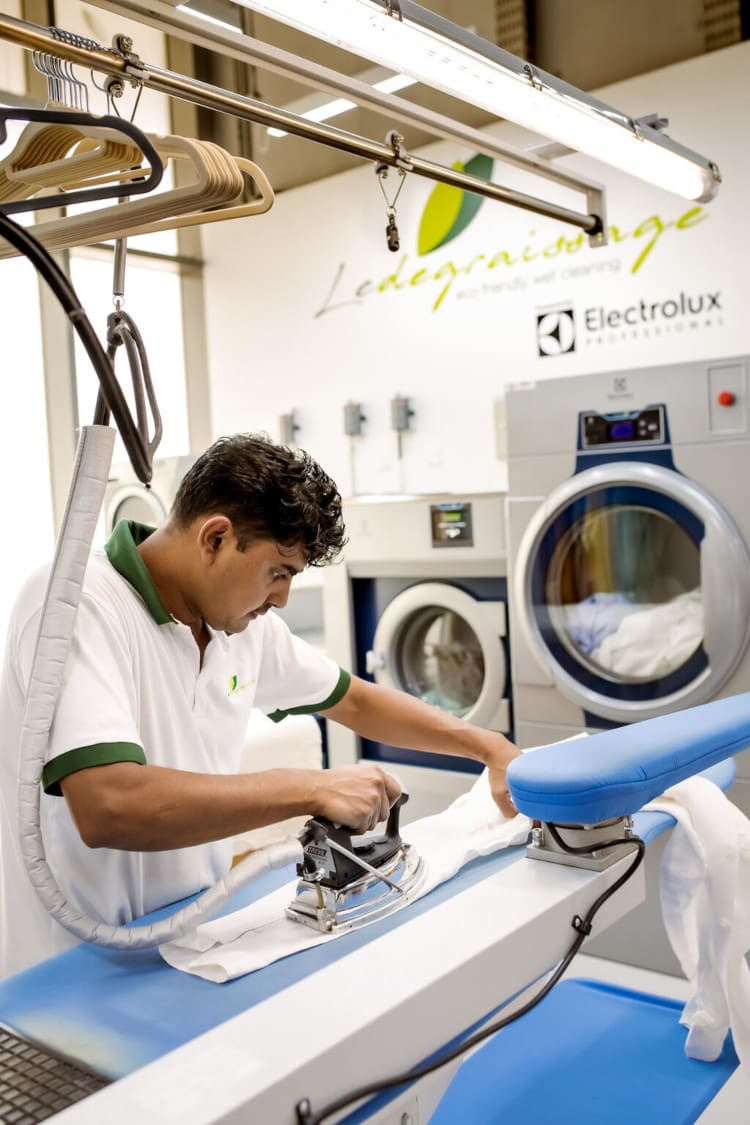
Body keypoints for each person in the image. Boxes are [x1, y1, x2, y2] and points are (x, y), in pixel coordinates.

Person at [0, 434, 519, 977]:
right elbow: (109, 806)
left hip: (187, 939)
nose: (282, 599)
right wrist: (311, 787)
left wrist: (489, 748)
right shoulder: (75, 605)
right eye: (280, 572)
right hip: (73, 966)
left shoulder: (238, 628)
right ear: (216, 538)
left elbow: (355, 701)